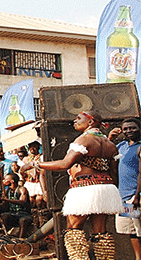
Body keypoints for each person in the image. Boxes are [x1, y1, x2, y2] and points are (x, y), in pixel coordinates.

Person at [24, 111, 124, 260]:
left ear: (90, 122)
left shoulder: (83, 140)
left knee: (74, 230)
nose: (74, 122)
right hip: (107, 188)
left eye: (78, 118)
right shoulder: (110, 144)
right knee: (101, 232)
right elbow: (114, 173)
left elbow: (65, 164)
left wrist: (35, 164)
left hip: (85, 188)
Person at [108, 118, 141, 260]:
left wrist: (137, 195)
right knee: (132, 231)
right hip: (125, 196)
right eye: (126, 129)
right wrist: (110, 138)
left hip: (136, 195)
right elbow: (109, 158)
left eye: (132, 128)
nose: (129, 131)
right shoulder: (122, 146)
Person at [0, 173, 32, 238]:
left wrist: (6, 199)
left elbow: (22, 202)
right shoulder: (7, 191)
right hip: (13, 214)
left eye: (6, 179)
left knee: (23, 220)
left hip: (24, 214)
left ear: (12, 181)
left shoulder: (22, 189)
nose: (4, 181)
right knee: (4, 216)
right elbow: (4, 206)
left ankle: (21, 240)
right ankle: (4, 237)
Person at [20, 141, 44, 208]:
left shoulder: (41, 157)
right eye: (31, 147)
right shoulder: (26, 159)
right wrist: (23, 175)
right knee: (32, 202)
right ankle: (35, 216)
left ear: (38, 147)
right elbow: (21, 170)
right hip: (29, 182)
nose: (32, 149)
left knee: (39, 201)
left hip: (39, 182)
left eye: (34, 147)